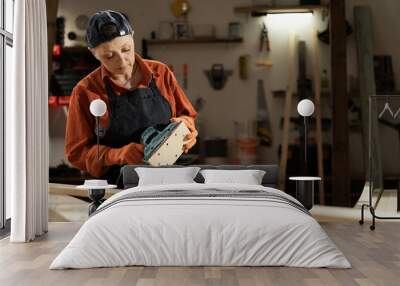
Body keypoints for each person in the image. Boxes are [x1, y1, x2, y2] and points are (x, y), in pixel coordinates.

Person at [65, 10, 198, 184]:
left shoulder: (161, 73)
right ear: (93, 53)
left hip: (169, 181)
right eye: (109, 56)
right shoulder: (85, 91)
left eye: (126, 49)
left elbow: (188, 117)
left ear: (133, 37)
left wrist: (187, 129)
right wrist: (117, 155)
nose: (121, 61)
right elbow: (77, 153)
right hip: (118, 190)